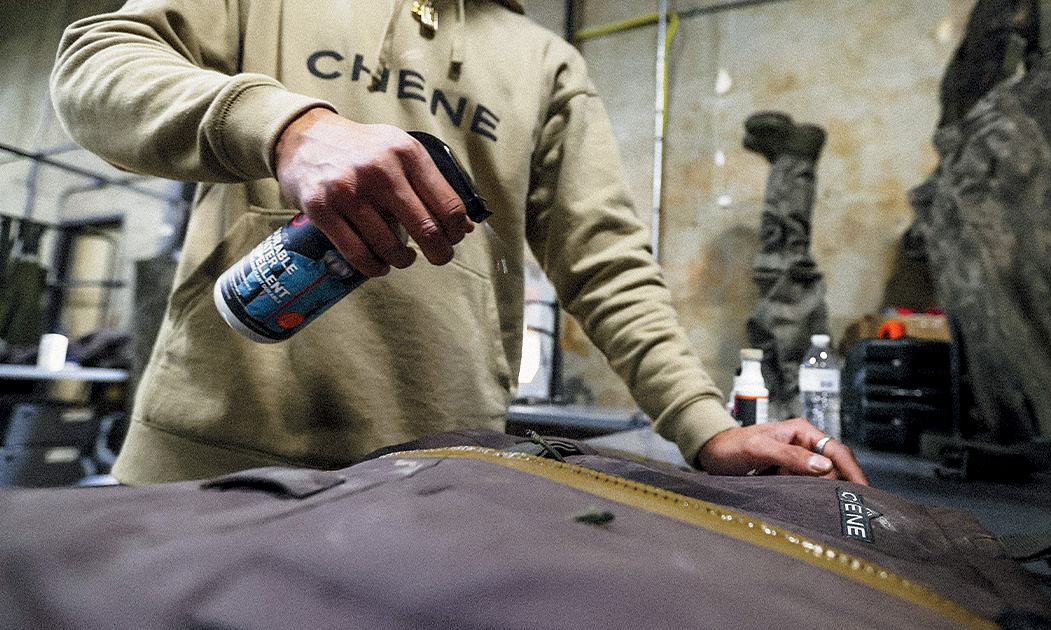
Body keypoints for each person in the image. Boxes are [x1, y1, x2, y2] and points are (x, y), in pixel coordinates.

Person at [52, 0, 866, 485]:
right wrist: (284, 129)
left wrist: (704, 424)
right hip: (206, 460)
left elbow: (605, 260)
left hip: (438, 474)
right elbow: (94, 64)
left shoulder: (546, 63)